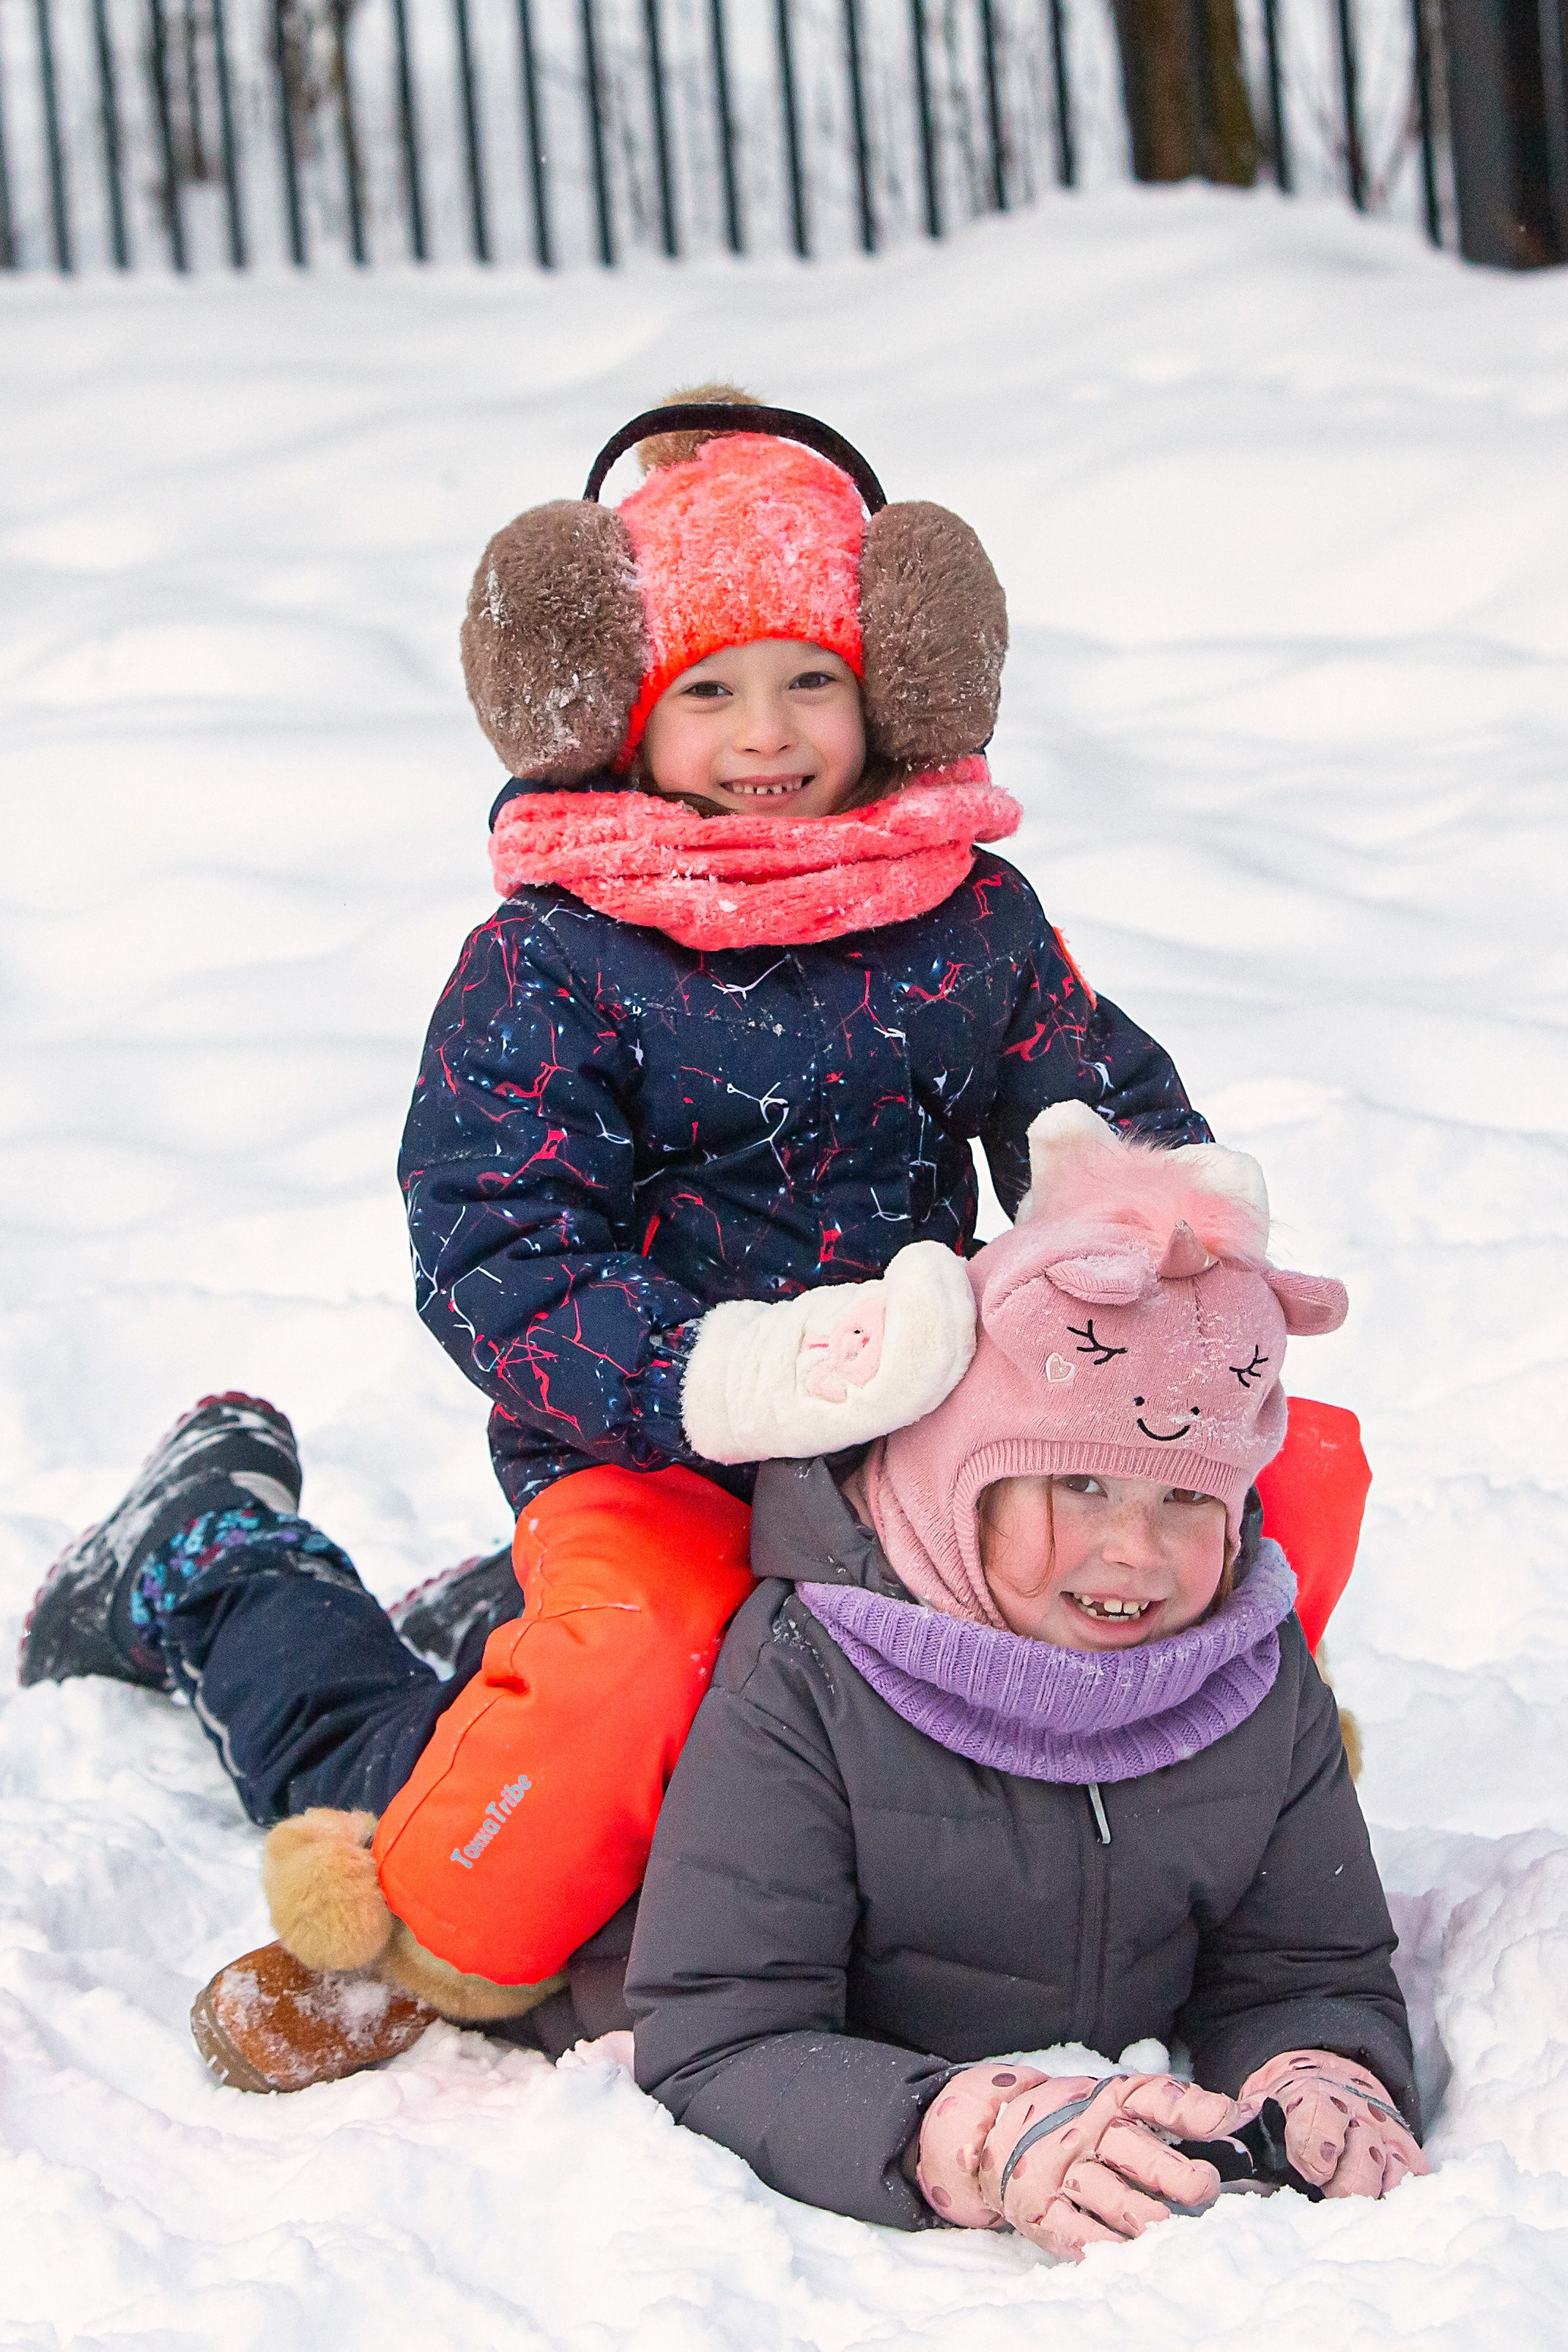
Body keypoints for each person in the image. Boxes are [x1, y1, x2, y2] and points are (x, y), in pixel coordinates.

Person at [19, 389, 1221, 2085]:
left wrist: (1154, 1230)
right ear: (611, 715)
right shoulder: (556, 962)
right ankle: (229, 1583)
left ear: (890, 687)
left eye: (812, 680)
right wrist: (709, 1377)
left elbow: (1086, 1112)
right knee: (622, 1700)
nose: (768, 733)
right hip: (646, 1451)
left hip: (913, 1449)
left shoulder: (957, 914)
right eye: (708, 691)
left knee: (1163, 1551)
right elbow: (498, 1246)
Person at [625, 1104, 1424, 2254]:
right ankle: (271, 1565)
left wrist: (1322, 2072)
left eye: (1188, 1499)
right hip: (560, 1776)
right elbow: (719, 2033)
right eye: (1081, 1488)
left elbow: (1306, 1962)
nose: (1137, 1553)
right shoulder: (813, 1676)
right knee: (363, 1742)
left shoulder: (1251, 1674)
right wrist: (967, 2131)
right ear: (961, 1477)